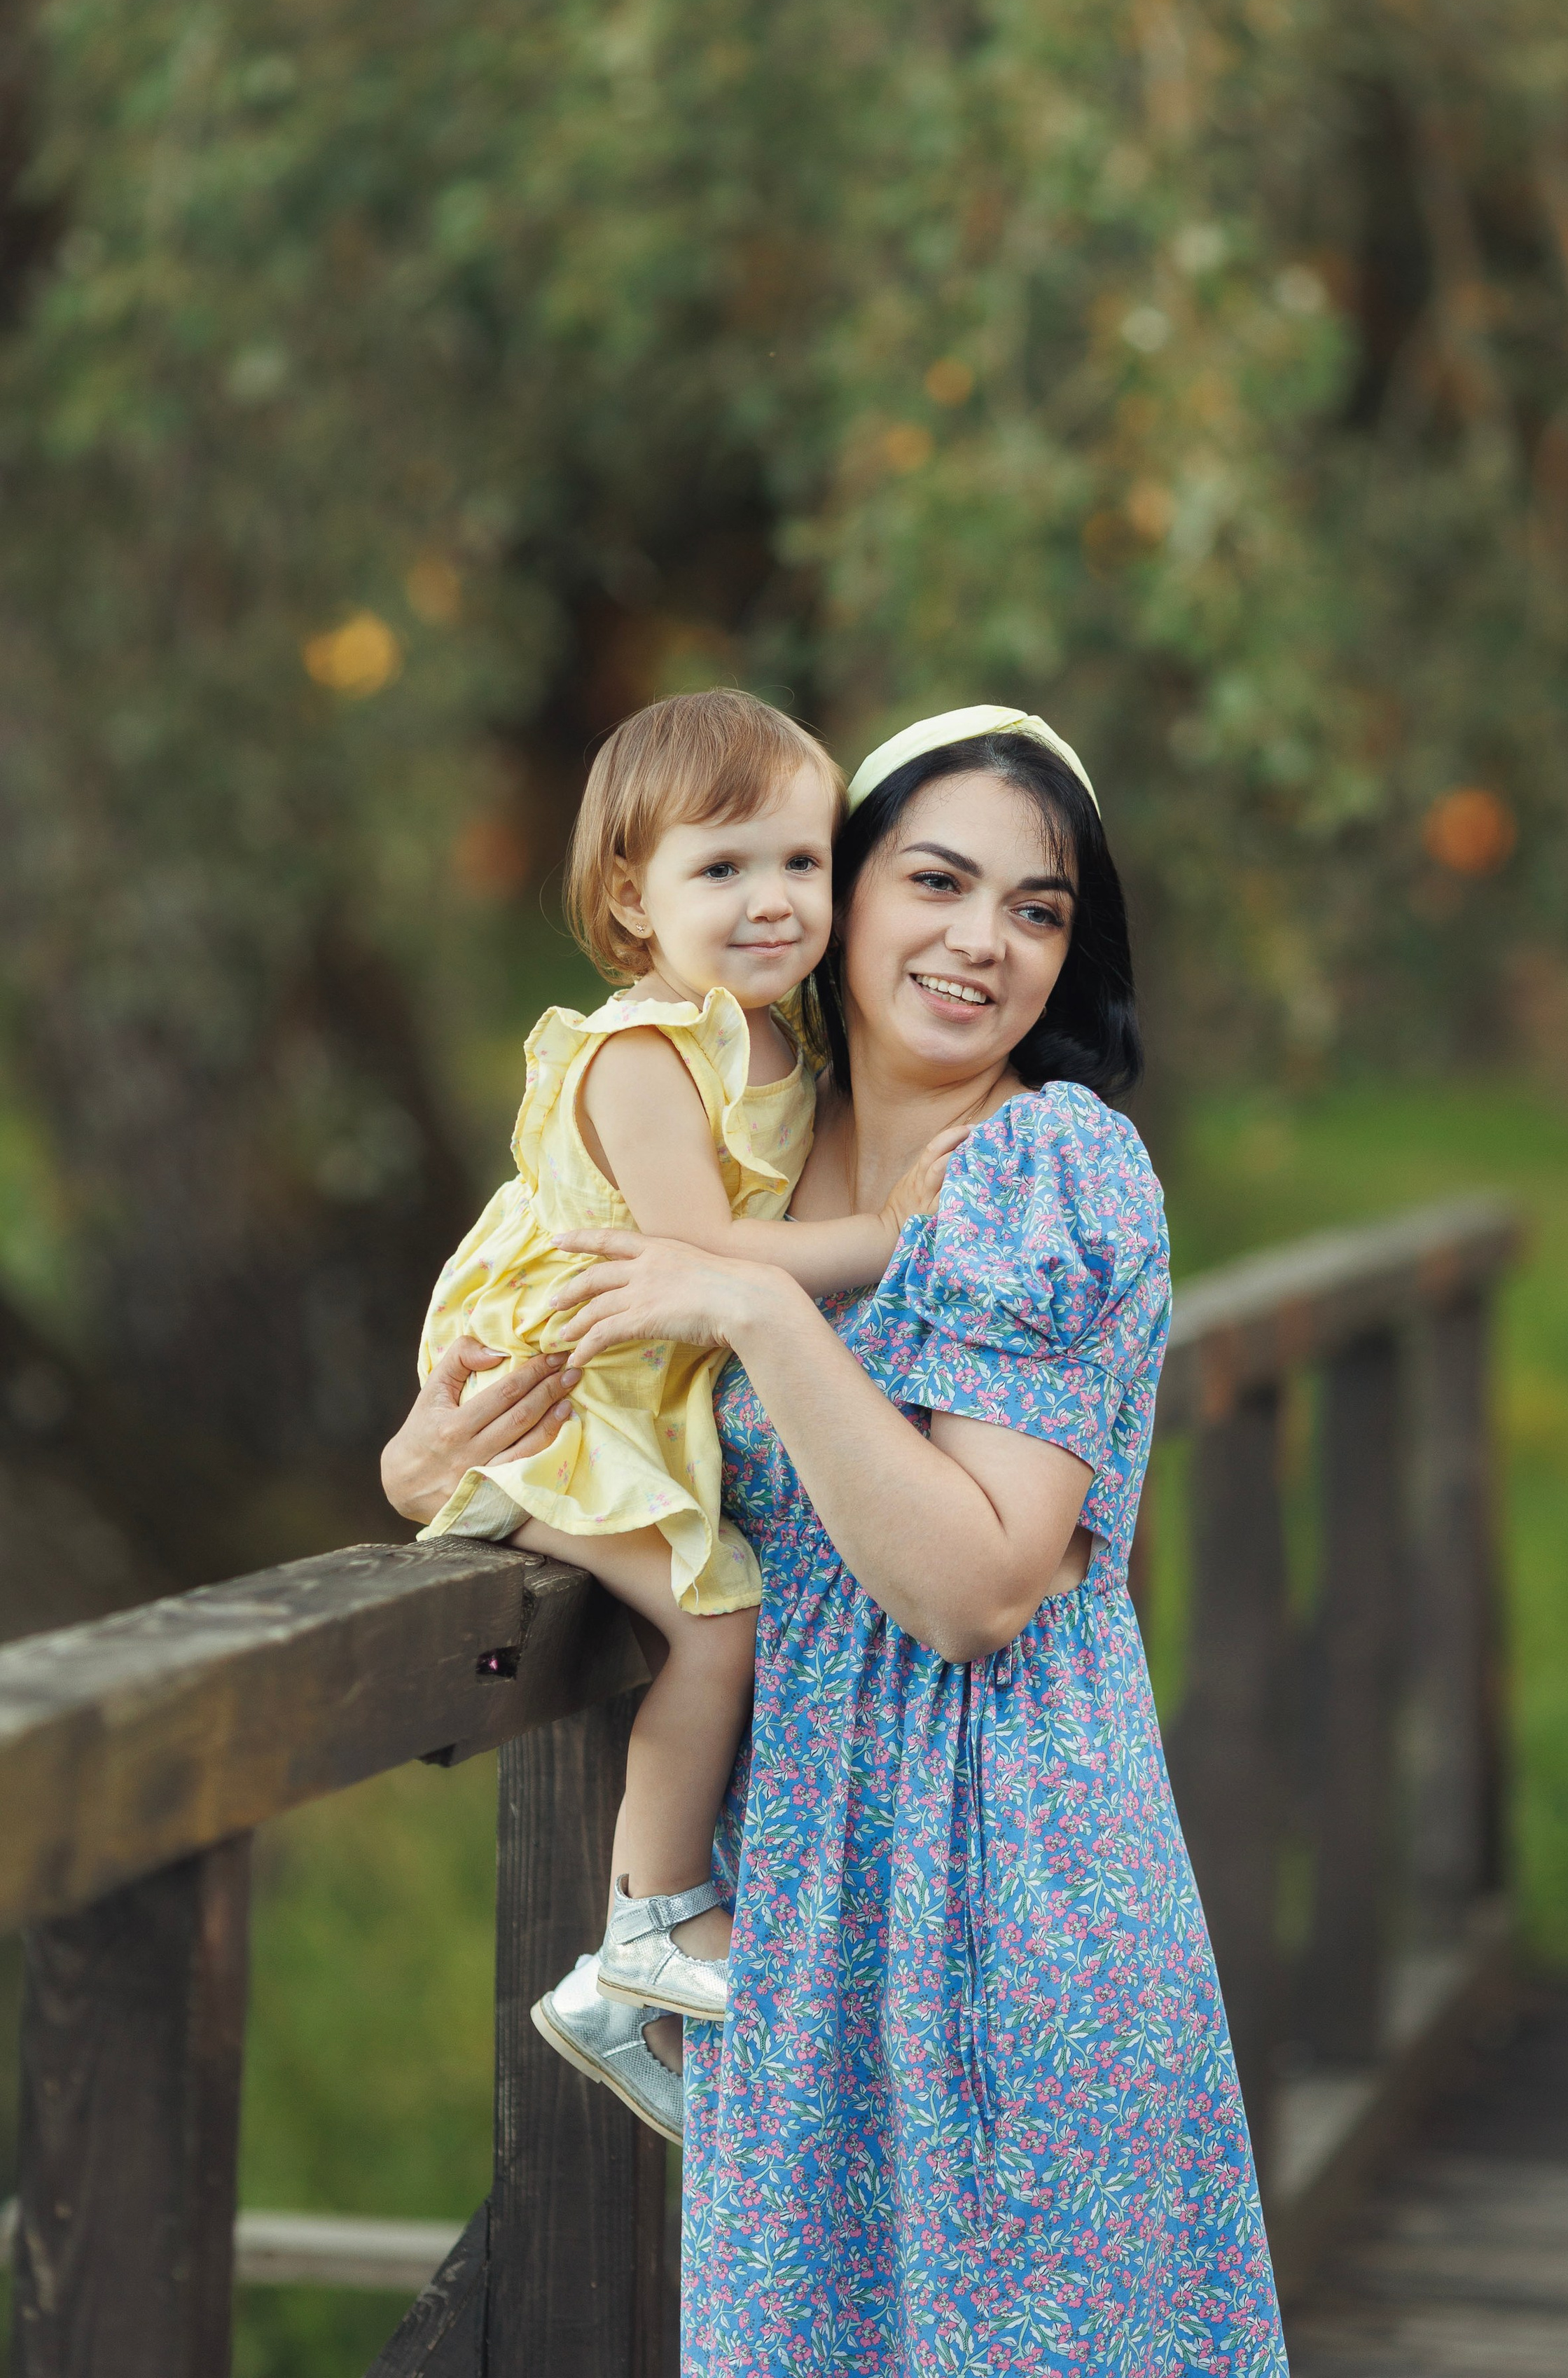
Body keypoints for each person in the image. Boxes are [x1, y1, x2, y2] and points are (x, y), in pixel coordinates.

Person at [437, 704, 1291, 2374]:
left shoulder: (1050, 1166)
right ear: (844, 898)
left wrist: (761, 1313)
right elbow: (586, 1416)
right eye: (935, 880)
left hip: (1014, 1883)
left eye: (1035, 908)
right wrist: (428, 1448)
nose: (981, 940)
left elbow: (974, 1586)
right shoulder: (741, 1145)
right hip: (798, 1908)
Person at [394, 689, 960, 2139]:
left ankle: (624, 1990)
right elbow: (698, 1258)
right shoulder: (643, 1052)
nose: (769, 899)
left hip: (639, 1397)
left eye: (799, 862)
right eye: (721, 871)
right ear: (629, 902)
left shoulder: (784, 1049)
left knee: (725, 1618)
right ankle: (645, 1924)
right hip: (556, 1390)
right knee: (720, 1623)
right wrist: (895, 1234)